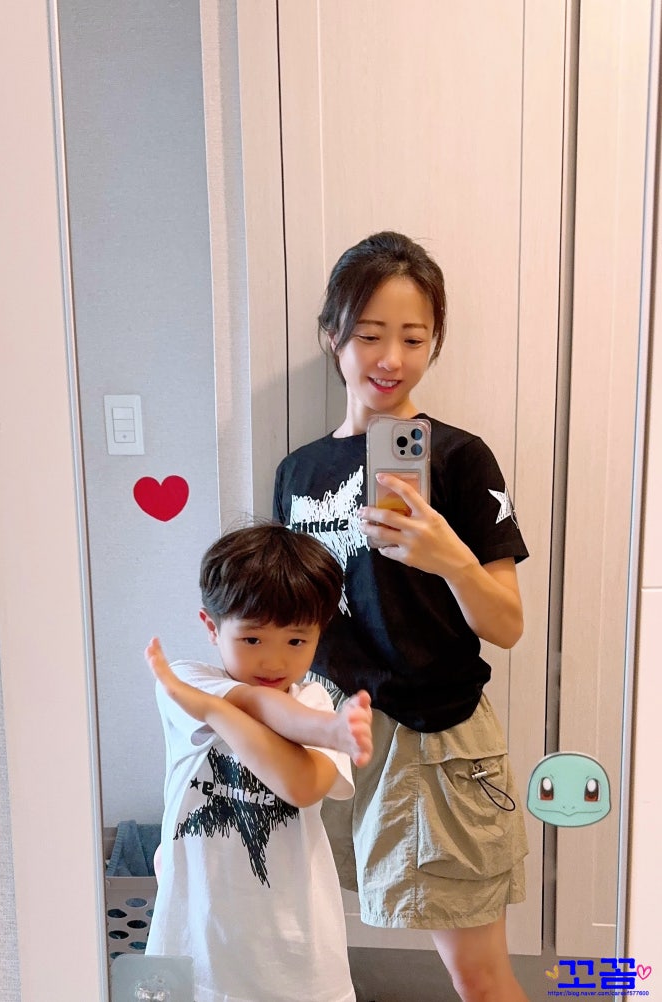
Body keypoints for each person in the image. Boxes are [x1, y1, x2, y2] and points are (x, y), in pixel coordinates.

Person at [273, 231, 531, 1002]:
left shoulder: (458, 458)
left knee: (478, 978)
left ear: (433, 342)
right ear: (332, 335)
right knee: (308, 951)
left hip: (434, 738)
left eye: (413, 338)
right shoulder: (298, 471)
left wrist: (449, 557)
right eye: (369, 335)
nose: (390, 358)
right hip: (330, 734)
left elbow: (507, 625)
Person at [143, 523, 373, 1002]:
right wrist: (323, 731)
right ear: (211, 627)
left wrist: (217, 714)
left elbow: (301, 787)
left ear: (319, 635)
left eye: (296, 641)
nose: (273, 662)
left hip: (295, 952)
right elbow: (259, 704)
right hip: (198, 943)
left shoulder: (315, 702)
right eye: (252, 640)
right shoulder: (188, 681)